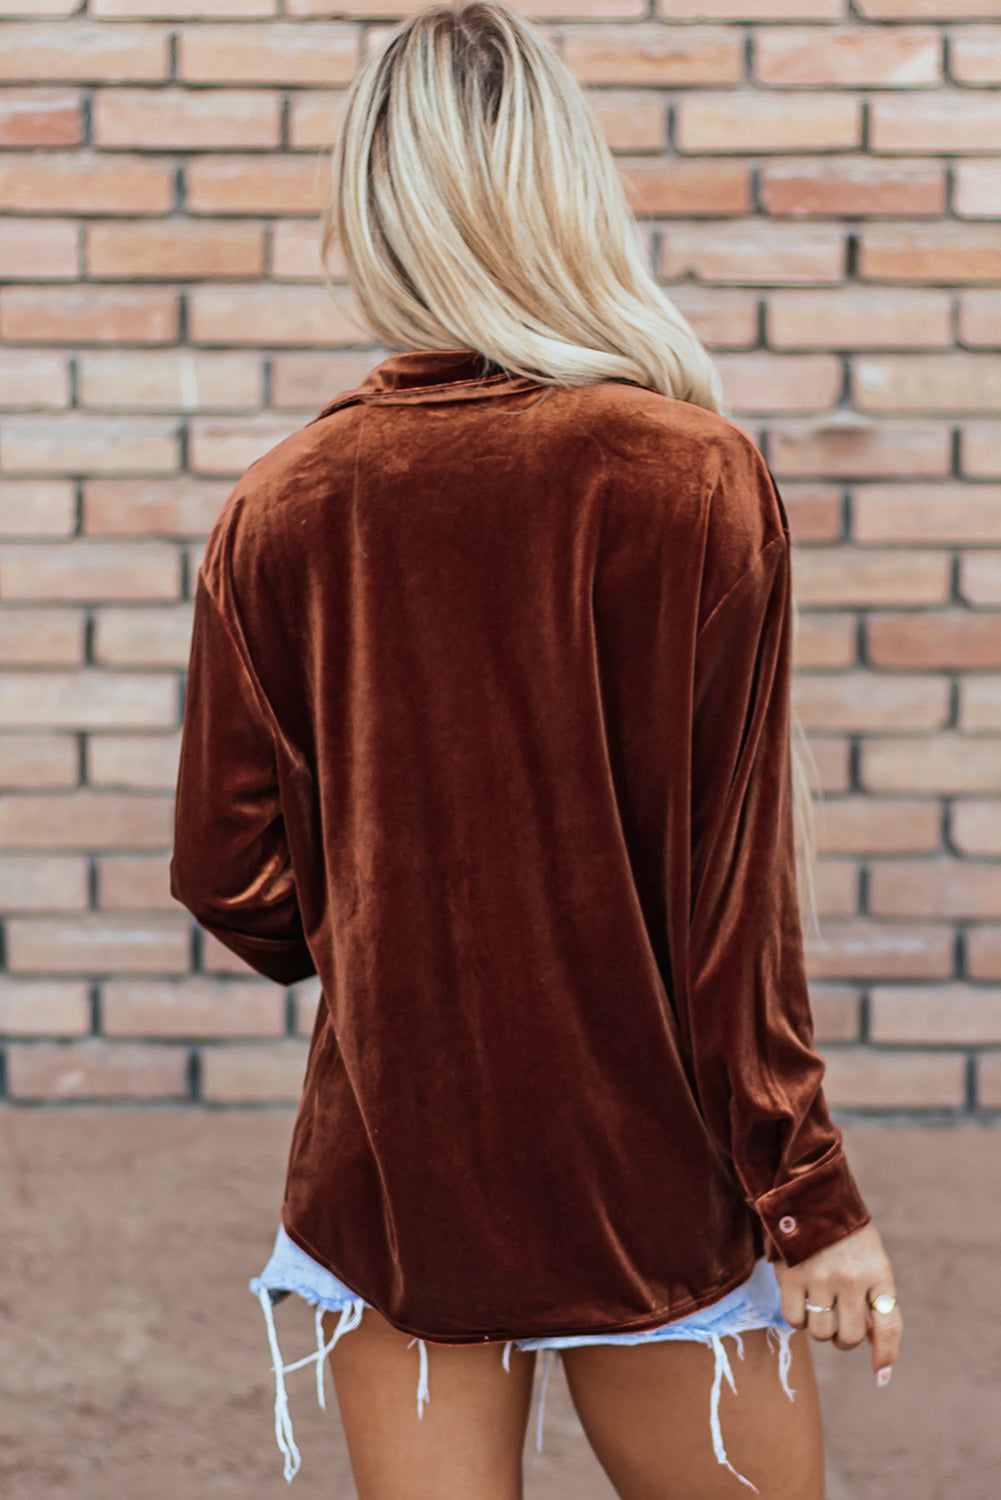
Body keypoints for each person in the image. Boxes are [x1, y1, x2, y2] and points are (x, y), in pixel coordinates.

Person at [168, 3, 904, 1496]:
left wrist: (404, 924)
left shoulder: (281, 505)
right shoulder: (690, 476)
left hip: (396, 1184)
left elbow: (227, 880)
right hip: (646, 1186)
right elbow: (727, 908)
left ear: (369, 206)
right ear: (566, 187)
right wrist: (809, 1195)